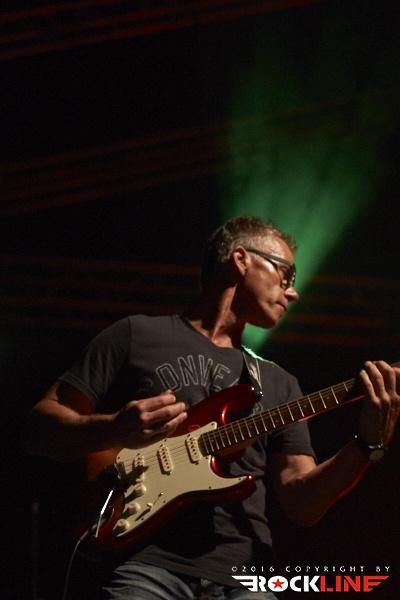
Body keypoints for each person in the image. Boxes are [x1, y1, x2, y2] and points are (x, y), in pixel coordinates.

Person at [23, 216, 400, 600]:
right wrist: (114, 428)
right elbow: (38, 428)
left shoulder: (278, 381)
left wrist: (366, 445)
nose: (293, 293)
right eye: (286, 274)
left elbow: (302, 505)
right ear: (241, 259)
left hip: (245, 576)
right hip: (143, 567)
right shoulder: (136, 334)